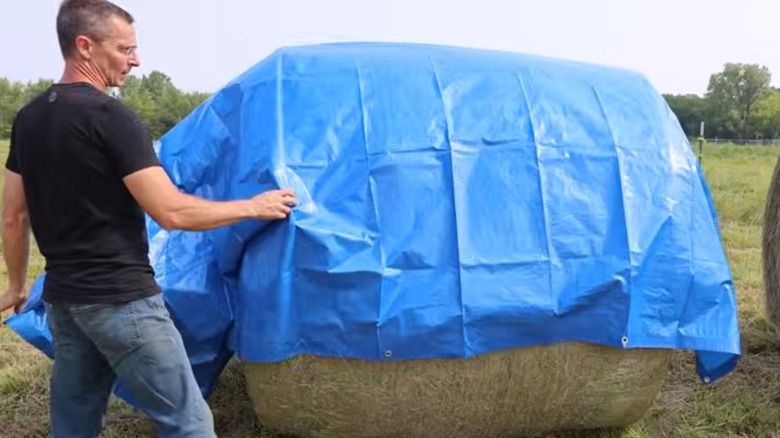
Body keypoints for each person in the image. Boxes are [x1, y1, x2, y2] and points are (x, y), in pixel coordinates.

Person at [0, 0, 298, 436]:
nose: (136, 60)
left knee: (73, 423)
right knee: (189, 423)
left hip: (66, 303)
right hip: (122, 302)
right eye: (125, 49)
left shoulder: (29, 118)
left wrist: (16, 283)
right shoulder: (110, 117)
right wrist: (256, 206)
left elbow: (12, 215)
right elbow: (172, 211)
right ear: (85, 46)